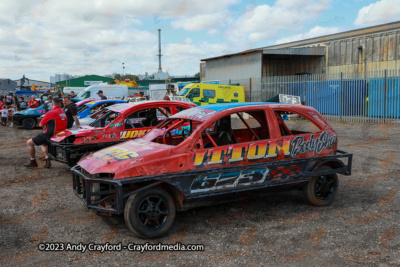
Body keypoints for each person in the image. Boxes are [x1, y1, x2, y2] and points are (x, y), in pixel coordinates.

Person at [25, 97, 67, 168]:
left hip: (50, 134)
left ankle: (33, 162)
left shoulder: (50, 113)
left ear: (52, 104)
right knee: (43, 144)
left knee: (29, 143)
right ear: (60, 103)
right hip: (60, 135)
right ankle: (47, 160)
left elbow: (41, 124)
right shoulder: (63, 112)